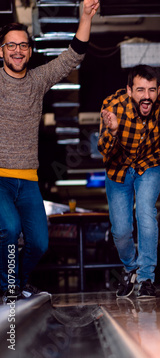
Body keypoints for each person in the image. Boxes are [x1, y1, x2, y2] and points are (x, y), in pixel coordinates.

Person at [0, 0, 100, 303]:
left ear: (30, 50)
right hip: (0, 178)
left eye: (23, 46)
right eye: (11, 46)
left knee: (40, 244)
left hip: (29, 179)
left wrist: (85, 16)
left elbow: (74, 55)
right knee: (9, 228)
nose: (18, 51)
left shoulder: (38, 80)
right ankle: (10, 288)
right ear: (1, 51)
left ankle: (17, 281)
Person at [98, 65, 160, 299]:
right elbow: (103, 150)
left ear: (158, 90)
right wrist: (112, 132)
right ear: (129, 90)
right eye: (140, 90)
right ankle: (130, 268)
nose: (146, 96)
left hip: (150, 165)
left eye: (152, 90)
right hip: (118, 168)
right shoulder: (112, 106)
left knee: (145, 212)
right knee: (121, 230)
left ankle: (146, 278)